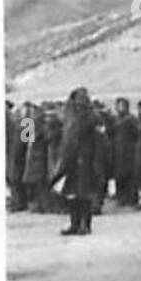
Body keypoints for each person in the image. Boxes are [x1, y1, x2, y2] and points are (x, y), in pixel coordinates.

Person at [50, 88, 106, 235]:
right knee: (71, 194)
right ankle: (74, 223)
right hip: (70, 160)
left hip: (85, 160)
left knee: (84, 194)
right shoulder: (71, 118)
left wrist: (97, 162)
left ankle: (85, 224)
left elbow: (101, 142)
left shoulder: (93, 117)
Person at [112, 98, 138, 206]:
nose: (120, 108)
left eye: (122, 105)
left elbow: (136, 133)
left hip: (129, 151)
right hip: (118, 151)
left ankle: (131, 197)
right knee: (119, 176)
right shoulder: (116, 119)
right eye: (119, 105)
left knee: (130, 176)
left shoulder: (131, 119)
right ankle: (121, 197)